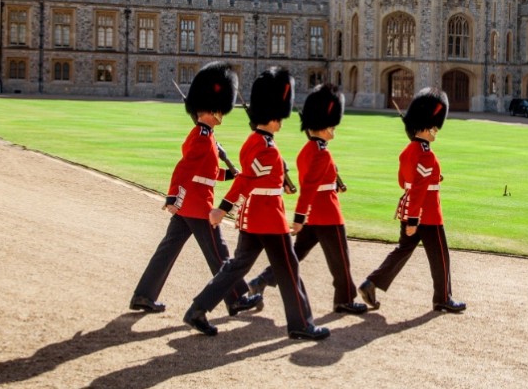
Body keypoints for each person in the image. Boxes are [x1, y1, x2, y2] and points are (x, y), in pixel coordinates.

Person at [183, 67, 328, 340]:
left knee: (237, 267)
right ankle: (301, 324)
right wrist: (222, 209)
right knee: (289, 268)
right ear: (273, 118)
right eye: (279, 118)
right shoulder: (265, 146)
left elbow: (259, 177)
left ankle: (198, 309)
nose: (281, 123)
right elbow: (246, 180)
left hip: (254, 217)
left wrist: (280, 182)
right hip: (268, 219)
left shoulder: (258, 142)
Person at [129, 61, 262, 316]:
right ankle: (235, 298)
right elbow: (184, 169)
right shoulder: (202, 138)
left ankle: (144, 295)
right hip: (198, 206)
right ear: (213, 109)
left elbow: (205, 173)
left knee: (166, 250)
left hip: (189, 206)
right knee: (220, 253)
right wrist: (173, 197)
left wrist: (230, 175)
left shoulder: (206, 136)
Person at [247, 83, 369, 315]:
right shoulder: (322, 152)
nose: (334, 129)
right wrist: (299, 216)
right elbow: (311, 187)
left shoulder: (308, 150)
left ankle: (261, 280)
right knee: (341, 262)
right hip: (328, 215)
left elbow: (314, 181)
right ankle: (344, 299)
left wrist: (331, 187)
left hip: (314, 215)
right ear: (322, 127)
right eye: (331, 125)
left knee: (294, 256)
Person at [358, 88, 465, 314]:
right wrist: (414, 220)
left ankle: (372, 282)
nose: (436, 130)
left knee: (402, 251)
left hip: (410, 211)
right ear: (425, 128)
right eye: (434, 126)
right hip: (426, 214)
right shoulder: (426, 154)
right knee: (440, 257)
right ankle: (443, 298)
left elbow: (404, 181)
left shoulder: (408, 151)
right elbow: (418, 188)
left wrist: (412, 215)